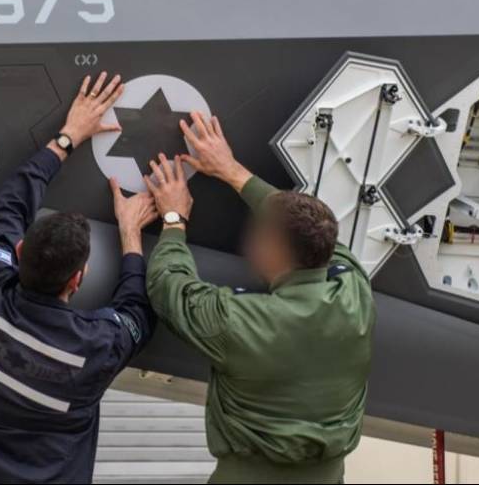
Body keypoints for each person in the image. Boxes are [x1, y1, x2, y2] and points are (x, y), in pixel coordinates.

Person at [0, 72, 160, 485]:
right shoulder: (91, 345)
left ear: (18, 254)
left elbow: (9, 205)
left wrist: (66, 137)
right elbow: (139, 312)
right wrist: (131, 230)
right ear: (78, 279)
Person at [143, 112, 375, 485]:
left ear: (274, 253)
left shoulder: (237, 321)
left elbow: (169, 287)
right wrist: (232, 170)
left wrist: (173, 216)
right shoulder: (356, 293)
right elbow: (323, 237)